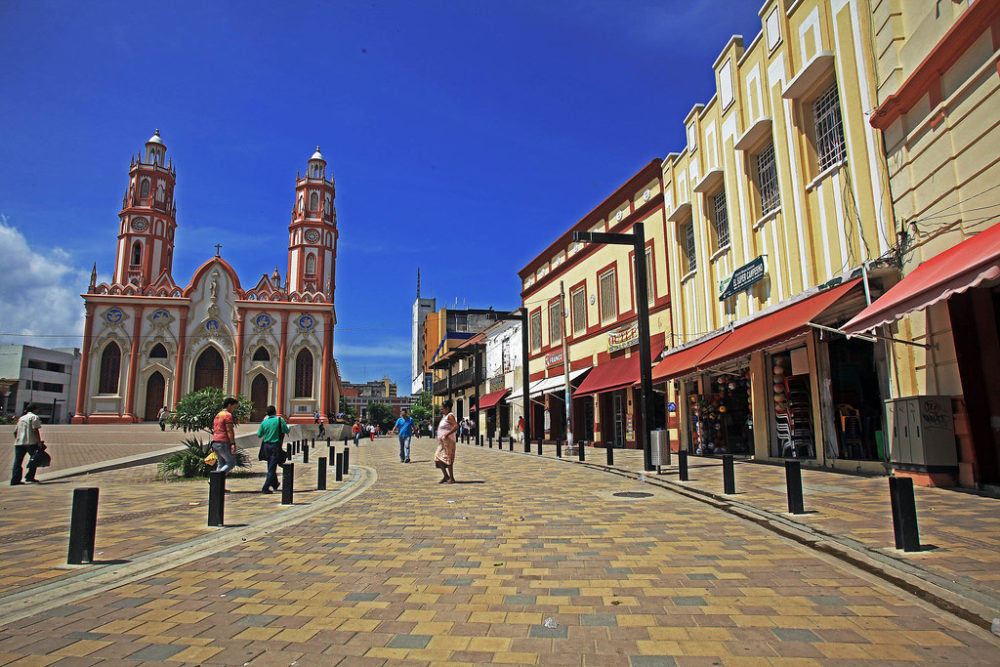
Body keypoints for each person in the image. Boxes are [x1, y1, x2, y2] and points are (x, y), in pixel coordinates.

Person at [256, 405, 288, 493]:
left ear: (267, 413)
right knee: (272, 468)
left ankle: (274, 483)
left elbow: (259, 434)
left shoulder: (264, 422)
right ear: (275, 412)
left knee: (270, 464)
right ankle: (265, 487)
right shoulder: (279, 420)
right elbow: (286, 430)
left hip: (266, 446)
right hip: (275, 446)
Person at [11, 404, 42, 485]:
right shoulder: (34, 417)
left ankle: (15, 479)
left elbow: (15, 432)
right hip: (31, 442)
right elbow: (35, 429)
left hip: (19, 443)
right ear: (34, 410)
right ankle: (30, 477)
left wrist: (18, 439)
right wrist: (39, 441)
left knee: (17, 462)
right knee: (34, 459)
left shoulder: (21, 418)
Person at [434, 399, 459, 484]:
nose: (441, 410)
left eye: (442, 409)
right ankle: (446, 476)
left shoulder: (450, 415)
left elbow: (456, 426)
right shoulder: (446, 416)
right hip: (443, 441)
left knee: (448, 458)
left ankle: (451, 478)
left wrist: (447, 434)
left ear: (447, 408)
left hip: (448, 441)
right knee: (437, 457)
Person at [211, 397, 239, 474]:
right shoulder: (228, 415)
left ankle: (215, 483)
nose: (234, 409)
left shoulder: (218, 414)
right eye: (234, 406)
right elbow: (229, 430)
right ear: (229, 405)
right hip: (224, 442)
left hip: (215, 441)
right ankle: (216, 478)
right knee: (231, 463)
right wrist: (232, 443)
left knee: (221, 464)